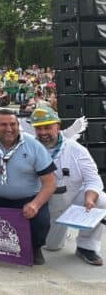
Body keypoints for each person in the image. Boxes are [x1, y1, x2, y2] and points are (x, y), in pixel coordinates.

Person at [0, 109, 56, 265]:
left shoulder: (33, 145)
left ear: (18, 124)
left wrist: (35, 204)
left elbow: (50, 183)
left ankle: (34, 247)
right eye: (3, 125)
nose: (9, 129)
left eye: (13, 124)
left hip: (26, 199)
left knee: (41, 221)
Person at [30, 106, 106, 266]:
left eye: (48, 127)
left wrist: (90, 198)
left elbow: (93, 179)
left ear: (58, 126)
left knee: (102, 201)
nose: (43, 132)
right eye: (39, 128)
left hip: (72, 201)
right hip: (46, 208)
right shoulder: (28, 148)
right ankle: (60, 236)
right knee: (51, 247)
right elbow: (4, 134)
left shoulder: (77, 150)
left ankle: (87, 247)